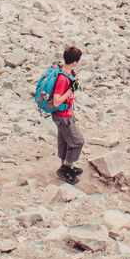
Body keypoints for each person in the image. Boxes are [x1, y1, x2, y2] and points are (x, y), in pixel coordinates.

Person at [52, 45, 84, 184]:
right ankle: (64, 169)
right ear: (75, 62)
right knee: (78, 141)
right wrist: (71, 90)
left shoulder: (66, 72)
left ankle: (66, 166)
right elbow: (56, 101)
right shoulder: (62, 79)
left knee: (64, 139)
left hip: (65, 113)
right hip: (62, 115)